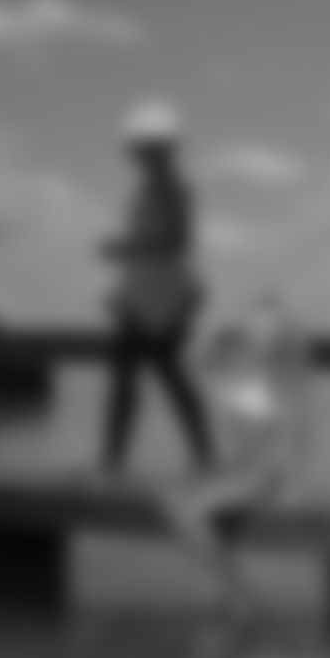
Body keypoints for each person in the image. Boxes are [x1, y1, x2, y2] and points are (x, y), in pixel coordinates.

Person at [157, 293, 315, 658]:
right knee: (173, 497)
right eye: (255, 322)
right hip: (242, 469)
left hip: (266, 475)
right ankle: (222, 592)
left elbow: (297, 431)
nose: (258, 329)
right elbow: (191, 358)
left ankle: (237, 595)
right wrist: (222, 327)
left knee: (186, 510)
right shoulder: (235, 369)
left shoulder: (279, 375)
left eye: (267, 324)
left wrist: (295, 487)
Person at [99, 101, 216, 476]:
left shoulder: (172, 188)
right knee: (131, 376)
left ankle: (203, 457)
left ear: (160, 150)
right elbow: (150, 246)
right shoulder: (149, 187)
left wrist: (123, 249)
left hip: (166, 300)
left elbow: (177, 242)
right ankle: (114, 462)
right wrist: (122, 289)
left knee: (163, 374)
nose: (135, 154)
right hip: (141, 299)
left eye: (142, 147)